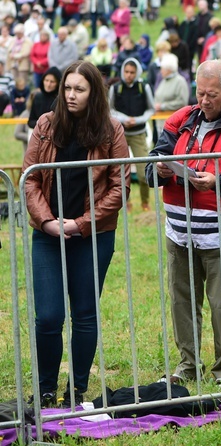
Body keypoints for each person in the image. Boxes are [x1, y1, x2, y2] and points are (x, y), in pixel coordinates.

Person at [146, 59, 221, 386]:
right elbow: (149, 165)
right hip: (180, 235)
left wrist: (217, 182)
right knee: (182, 304)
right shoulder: (179, 120)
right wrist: (159, 170)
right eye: (200, 93)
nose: (204, 100)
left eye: (212, 94)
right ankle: (188, 364)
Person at [23, 60, 130, 407]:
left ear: (93, 93)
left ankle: (76, 390)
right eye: (67, 88)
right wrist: (48, 222)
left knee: (85, 313)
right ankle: (45, 389)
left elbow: (120, 186)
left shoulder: (112, 130)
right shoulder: (45, 124)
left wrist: (81, 223)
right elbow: (30, 177)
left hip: (93, 235)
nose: (70, 95)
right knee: (49, 315)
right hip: (48, 235)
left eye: (78, 89)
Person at [109, 58, 155, 213]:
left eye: (132, 72)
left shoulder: (144, 87)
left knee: (143, 174)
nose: (128, 75)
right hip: (120, 135)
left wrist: (138, 120)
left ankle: (145, 202)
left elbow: (151, 109)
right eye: (126, 72)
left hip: (139, 134)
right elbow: (110, 110)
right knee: (121, 172)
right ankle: (126, 203)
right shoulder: (115, 88)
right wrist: (123, 119)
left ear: (137, 73)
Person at [153, 53, 190, 135]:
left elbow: (182, 102)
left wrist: (163, 106)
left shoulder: (180, 81)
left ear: (169, 69)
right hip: (160, 124)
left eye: (162, 68)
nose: (161, 71)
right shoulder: (163, 81)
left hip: (174, 126)